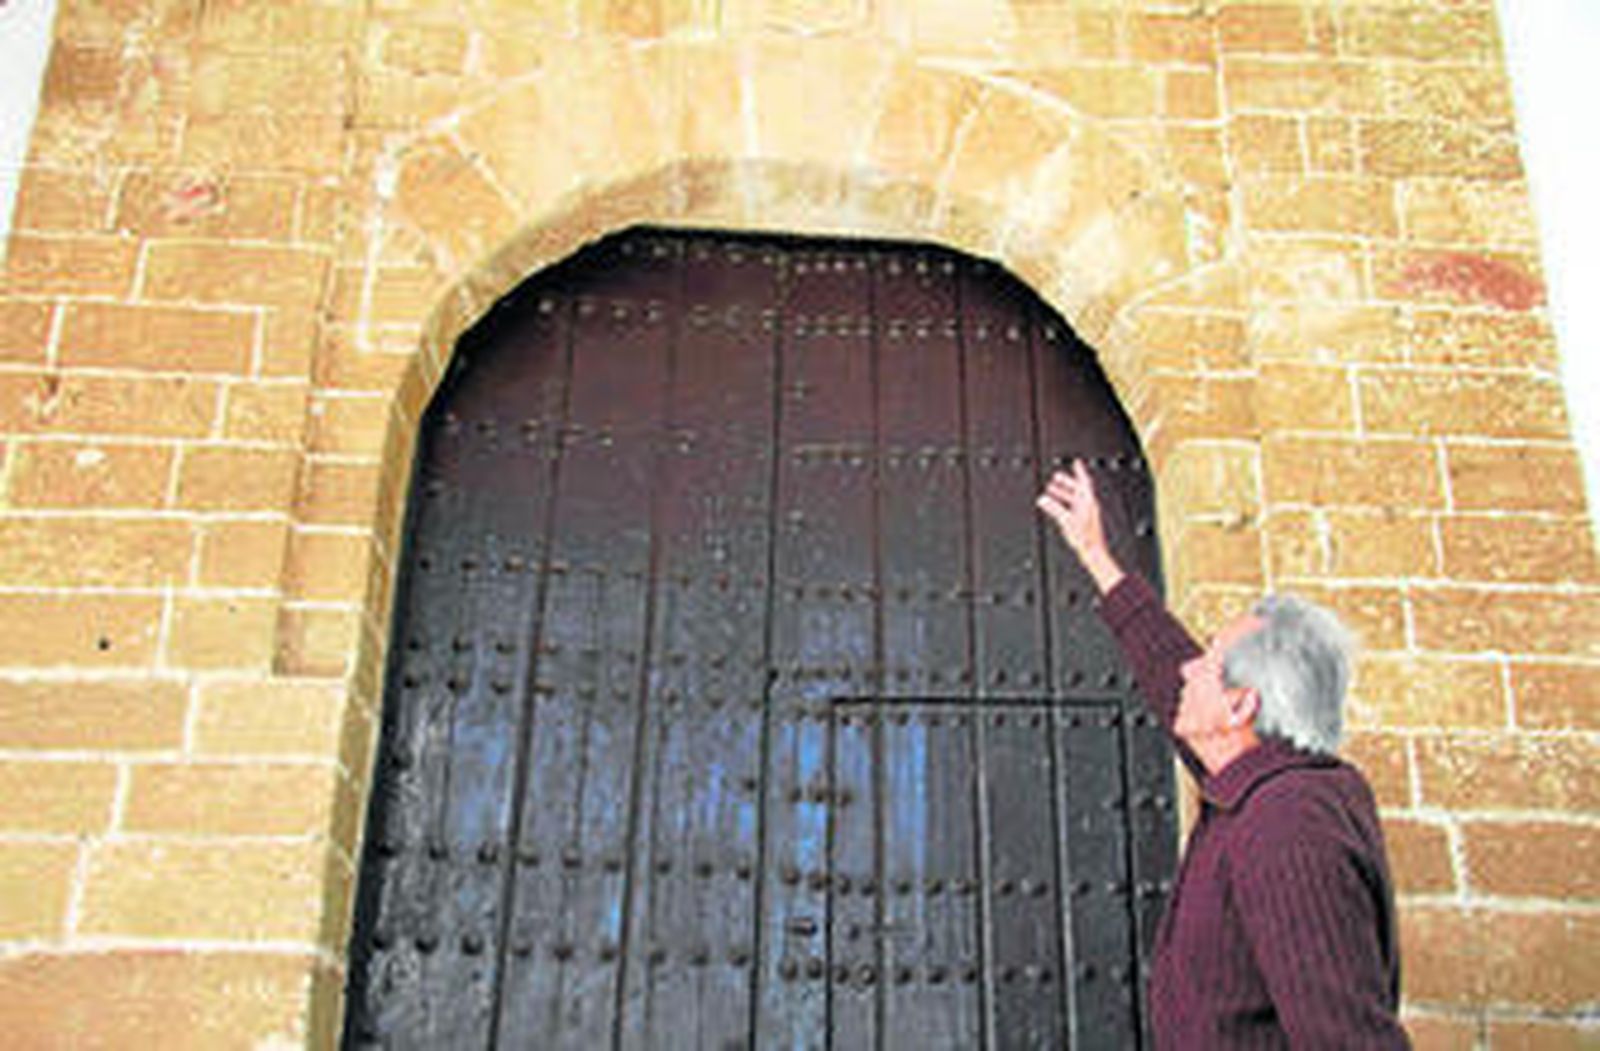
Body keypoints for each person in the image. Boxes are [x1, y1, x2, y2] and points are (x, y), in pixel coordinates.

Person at [1036, 459, 1410, 1049]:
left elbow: (1346, 1039)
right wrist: (1097, 557)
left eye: (1207, 662)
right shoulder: (1262, 789)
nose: (1189, 668)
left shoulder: (1288, 825)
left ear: (1241, 707)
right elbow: (1168, 672)